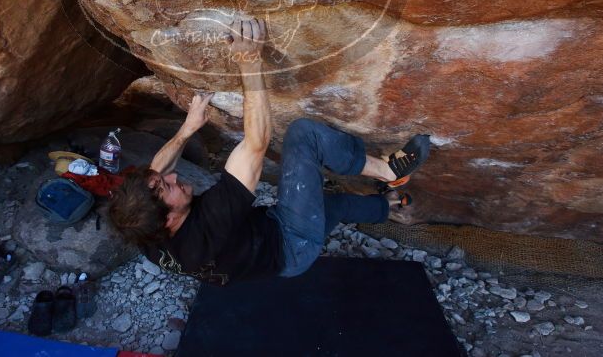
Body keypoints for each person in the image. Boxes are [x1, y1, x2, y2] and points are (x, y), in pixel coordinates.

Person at [108, 18, 431, 285]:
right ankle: (389, 171)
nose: (173, 177)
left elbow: (156, 171)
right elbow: (256, 143)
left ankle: (388, 208)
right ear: (169, 222)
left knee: (326, 206)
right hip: (290, 242)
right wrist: (249, 60)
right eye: (168, 188)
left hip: (266, 252)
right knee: (304, 136)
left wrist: (188, 128)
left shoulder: (144, 230)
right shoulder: (211, 225)